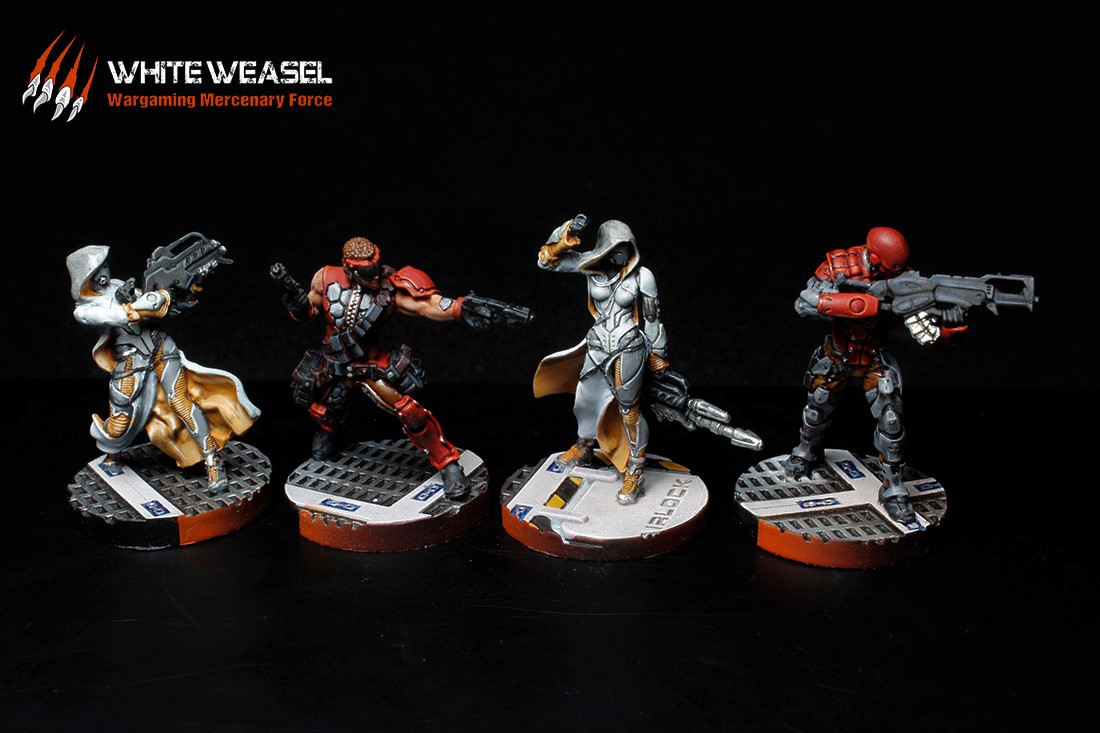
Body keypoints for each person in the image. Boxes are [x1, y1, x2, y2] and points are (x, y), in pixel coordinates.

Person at [272, 236, 530, 500]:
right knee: (325, 407)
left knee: (412, 413)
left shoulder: (389, 289)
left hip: (369, 365)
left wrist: (460, 308)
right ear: (349, 268)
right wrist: (295, 301)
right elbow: (309, 312)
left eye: (376, 268)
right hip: (334, 363)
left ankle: (448, 464)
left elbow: (427, 305)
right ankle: (328, 433)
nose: (375, 276)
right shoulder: (325, 278)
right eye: (367, 272)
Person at [67, 244, 259, 491]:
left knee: (181, 402)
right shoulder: (85, 309)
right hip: (130, 364)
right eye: (97, 270)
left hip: (160, 348)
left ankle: (212, 461)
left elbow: (156, 309)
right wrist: (146, 301)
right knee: (120, 422)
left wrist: (170, 293)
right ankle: (113, 454)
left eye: (104, 266)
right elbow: (116, 316)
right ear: (86, 278)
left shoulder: (117, 285)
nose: (104, 273)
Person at [533, 217, 670, 505]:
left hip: (628, 346)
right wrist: (567, 235)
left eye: (627, 248)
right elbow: (547, 262)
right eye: (617, 248)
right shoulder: (590, 266)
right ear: (605, 248)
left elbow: (652, 318)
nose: (622, 255)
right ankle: (583, 446)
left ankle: (635, 470)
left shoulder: (641, 276)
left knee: (629, 409)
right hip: (597, 344)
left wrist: (658, 354)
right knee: (586, 399)